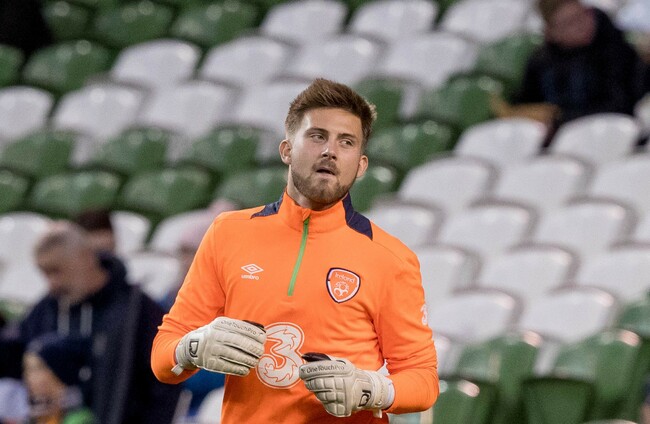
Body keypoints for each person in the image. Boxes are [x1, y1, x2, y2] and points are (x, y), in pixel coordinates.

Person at [151, 78, 439, 423]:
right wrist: (191, 348)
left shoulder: (390, 258)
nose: (330, 151)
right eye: (317, 136)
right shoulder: (228, 232)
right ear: (286, 149)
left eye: (346, 142)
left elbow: (423, 380)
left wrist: (371, 389)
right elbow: (162, 355)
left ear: (361, 165)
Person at [0, 221, 181, 424]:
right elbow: (12, 353)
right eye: (45, 274)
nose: (51, 284)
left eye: (56, 271)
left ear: (85, 258)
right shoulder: (49, 307)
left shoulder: (137, 311)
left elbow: (165, 384)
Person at [494, 0, 648, 130]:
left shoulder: (615, 49)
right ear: (550, 32)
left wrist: (560, 119)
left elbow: (620, 104)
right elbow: (528, 101)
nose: (581, 26)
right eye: (568, 23)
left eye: (582, 16)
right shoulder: (540, 62)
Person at [21, 333, 94, 424]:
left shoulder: (80, 420)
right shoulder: (33, 418)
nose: (27, 376)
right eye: (26, 369)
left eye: (36, 369)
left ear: (60, 373)